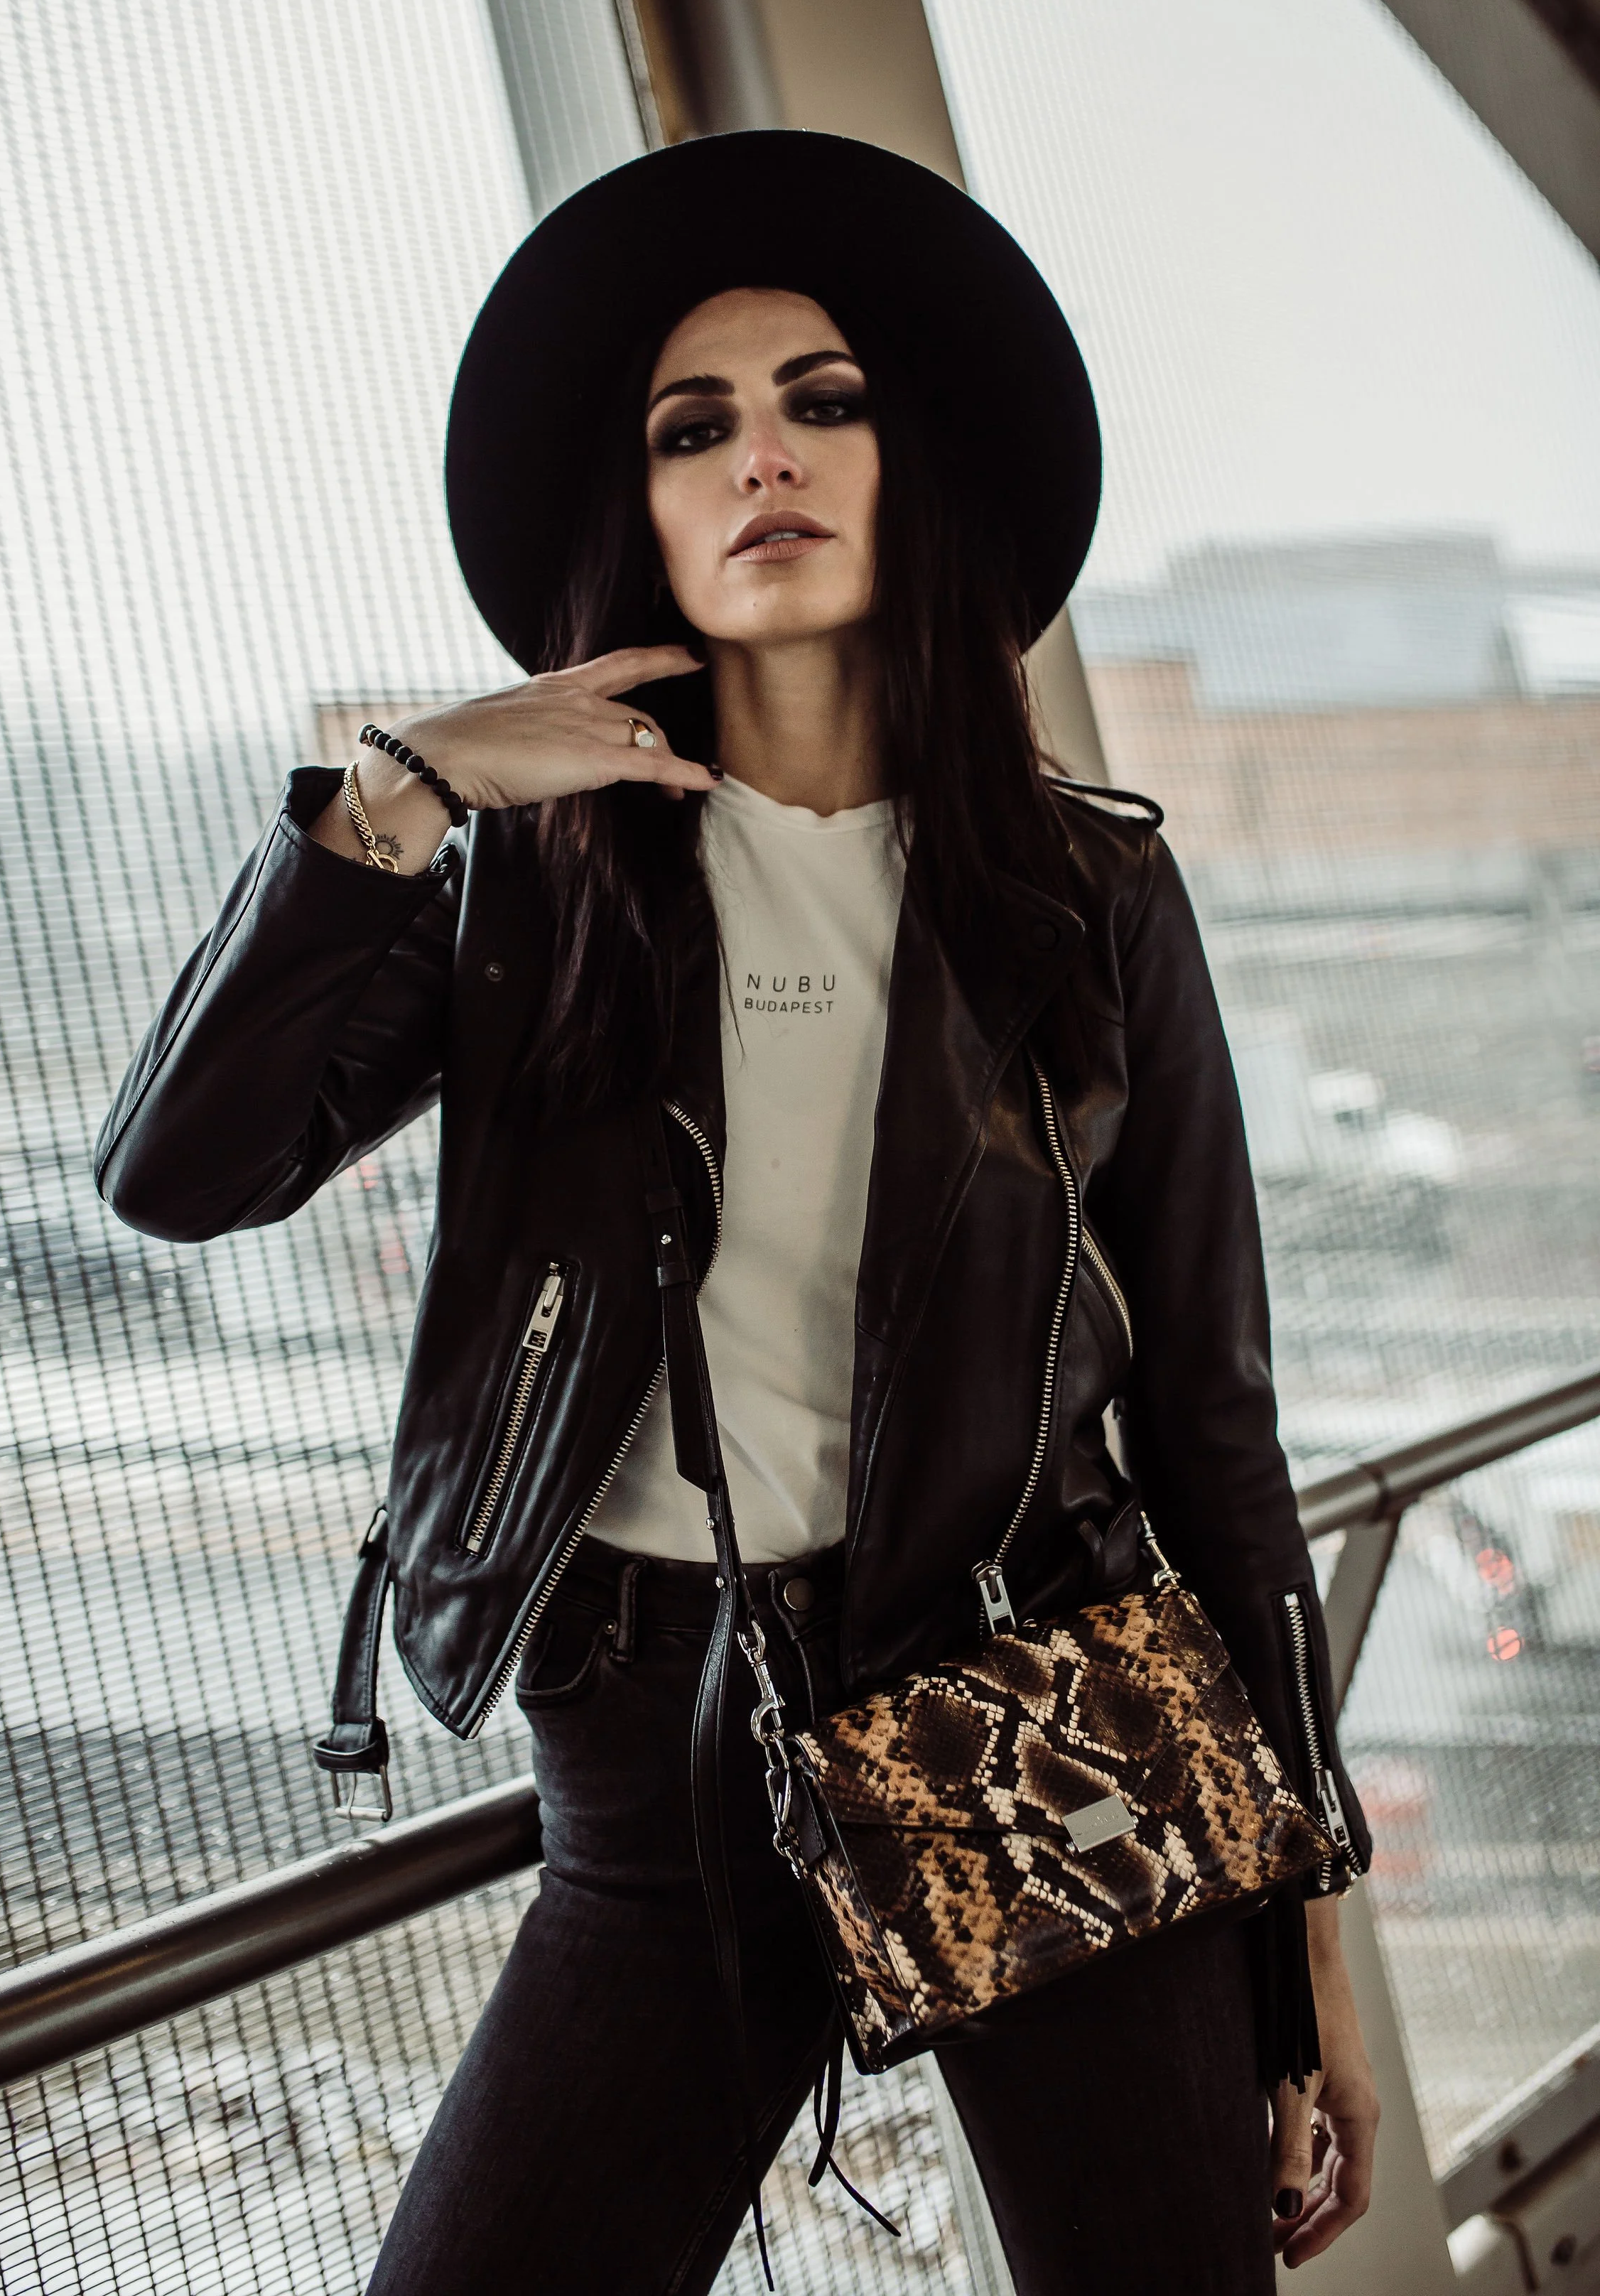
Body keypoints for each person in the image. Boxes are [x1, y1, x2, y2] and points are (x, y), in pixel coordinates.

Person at [97, 131, 1378, 2295]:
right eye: (696, 427)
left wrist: (1297, 1952)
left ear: (909, 468)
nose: (762, 456)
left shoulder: (1085, 897)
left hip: (1027, 1710)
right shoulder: (534, 888)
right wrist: (405, 795)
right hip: (652, 1773)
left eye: (824, 401)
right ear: (647, 511)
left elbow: (1220, 1441)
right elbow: (181, 1174)